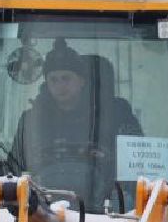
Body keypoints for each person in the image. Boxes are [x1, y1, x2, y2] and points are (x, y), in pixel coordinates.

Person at [12, 40, 142, 210]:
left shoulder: (116, 116)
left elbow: (136, 163)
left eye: (66, 78)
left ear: (81, 81)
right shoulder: (32, 120)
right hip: (42, 211)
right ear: (46, 82)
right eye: (54, 80)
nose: (60, 86)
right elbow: (15, 168)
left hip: (105, 211)